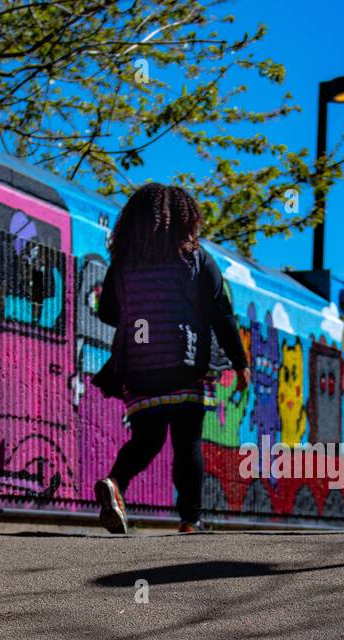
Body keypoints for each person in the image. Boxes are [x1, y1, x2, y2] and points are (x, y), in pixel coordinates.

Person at [93, 183, 250, 534]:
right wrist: (241, 363)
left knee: (146, 440)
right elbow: (220, 313)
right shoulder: (195, 259)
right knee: (187, 440)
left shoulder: (123, 264)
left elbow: (107, 312)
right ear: (185, 219)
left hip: (138, 368)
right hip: (185, 366)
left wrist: (142, 317)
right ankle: (190, 519)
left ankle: (115, 484)